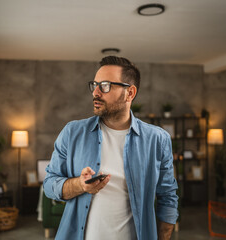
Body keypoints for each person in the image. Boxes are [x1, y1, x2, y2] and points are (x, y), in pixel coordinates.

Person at [43, 56, 178, 240]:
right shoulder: (72, 132)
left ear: (130, 93)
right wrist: (80, 185)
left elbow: (168, 198)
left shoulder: (157, 139)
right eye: (95, 85)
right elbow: (50, 184)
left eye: (105, 85)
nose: (96, 92)